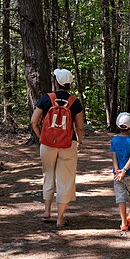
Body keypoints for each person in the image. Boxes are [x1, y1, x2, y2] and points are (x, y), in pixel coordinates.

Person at [30, 68, 85, 228]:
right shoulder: (75, 102)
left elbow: (34, 121)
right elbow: (80, 127)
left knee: (48, 175)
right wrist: (80, 142)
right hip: (69, 143)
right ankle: (60, 218)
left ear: (56, 82)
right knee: (65, 179)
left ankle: (47, 211)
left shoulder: (46, 98)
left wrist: (41, 136)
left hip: (47, 143)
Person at [110, 111, 130, 232]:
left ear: (118, 126)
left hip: (117, 175)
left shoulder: (114, 140)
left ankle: (123, 223)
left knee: (121, 199)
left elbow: (114, 156)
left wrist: (117, 170)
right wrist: (124, 170)